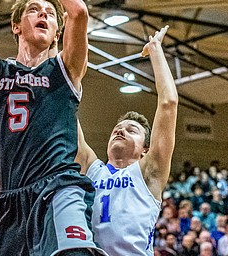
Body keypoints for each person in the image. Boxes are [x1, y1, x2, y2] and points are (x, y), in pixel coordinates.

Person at [0, 0, 107, 255]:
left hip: (60, 187)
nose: (43, 13)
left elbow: (79, 12)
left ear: (57, 34)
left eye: (50, 13)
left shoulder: (65, 69)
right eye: (33, 9)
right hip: (12, 200)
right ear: (15, 26)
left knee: (74, 252)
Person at [75, 25, 178, 255]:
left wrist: (156, 50)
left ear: (145, 149)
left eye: (131, 130)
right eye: (117, 129)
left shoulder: (149, 172)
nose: (120, 131)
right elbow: (67, 114)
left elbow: (168, 103)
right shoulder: (93, 169)